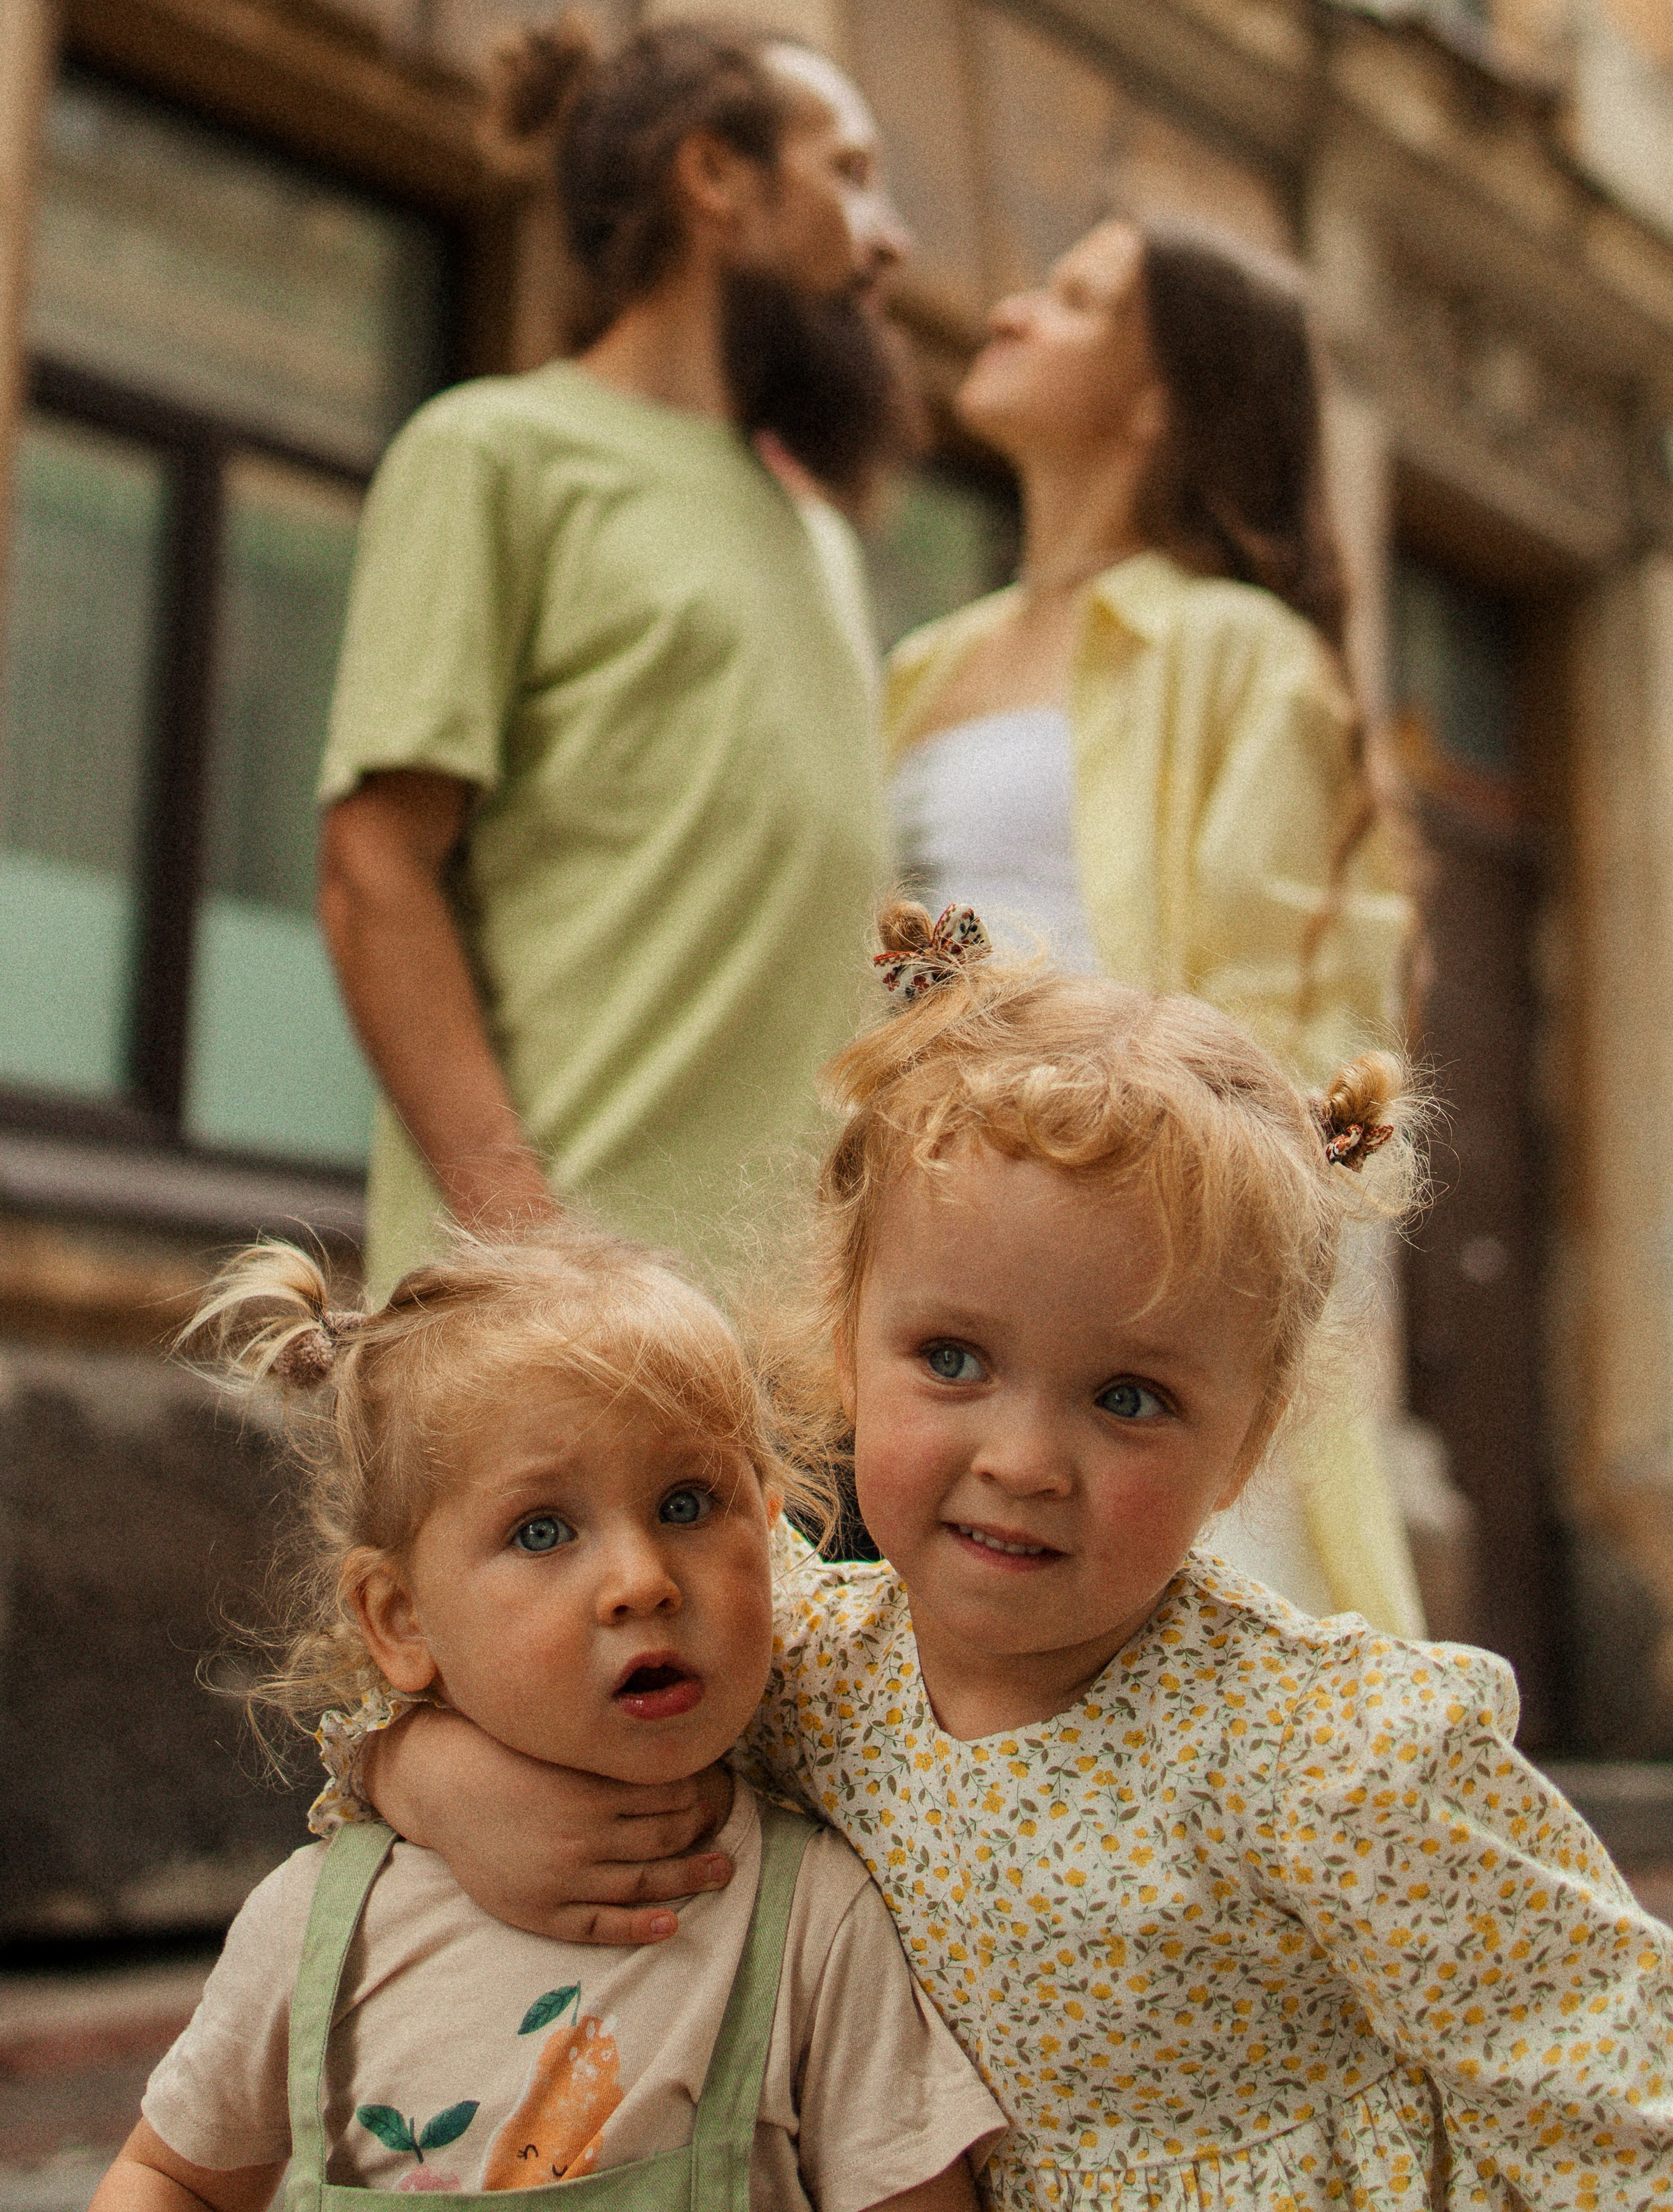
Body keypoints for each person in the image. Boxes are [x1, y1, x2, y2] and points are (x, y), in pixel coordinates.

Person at [337, 912, 1673, 2207]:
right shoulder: (794, 1666)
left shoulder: (1326, 1755)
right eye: (955, 1361)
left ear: (1248, 1442)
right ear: (846, 1343)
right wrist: (429, 1774)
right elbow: (486, 1680)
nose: (1025, 1460)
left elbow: (1608, 2085)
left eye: (1130, 1398)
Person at [91, 1226, 1003, 2212]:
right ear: (402, 1620)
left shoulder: (811, 1922)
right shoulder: (321, 1925)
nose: (640, 1582)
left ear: (775, 1541)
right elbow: (171, 2176)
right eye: (542, 1531)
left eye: (689, 1504)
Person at [319, 16, 908, 1301]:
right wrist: (528, 1246)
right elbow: (374, 869)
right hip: (544, 1333)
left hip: (786, 1350)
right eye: (851, 175)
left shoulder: (817, 532)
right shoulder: (494, 452)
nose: (892, 237)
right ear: (715, 178)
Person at [887, 215, 1419, 1627]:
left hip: (1133, 1264)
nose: (1006, 308)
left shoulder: (1242, 653)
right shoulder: (925, 662)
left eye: (1070, 301)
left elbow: (1301, 1018)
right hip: (931, 1245)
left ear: (1158, 399)